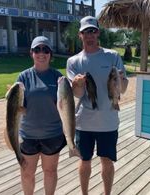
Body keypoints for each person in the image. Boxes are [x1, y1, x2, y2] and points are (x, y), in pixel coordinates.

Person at [66, 16, 129, 195]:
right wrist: (77, 85)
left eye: (93, 31)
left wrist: (121, 79)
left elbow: (122, 90)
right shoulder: (73, 62)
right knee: (84, 162)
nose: (90, 35)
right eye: (86, 32)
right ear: (80, 35)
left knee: (107, 163)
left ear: (98, 33)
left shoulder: (112, 56)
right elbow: (78, 95)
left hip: (108, 122)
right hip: (83, 122)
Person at [17, 36, 66, 195]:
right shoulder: (23, 77)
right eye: (37, 49)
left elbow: (66, 105)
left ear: (50, 54)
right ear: (32, 53)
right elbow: (18, 107)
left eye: (45, 49)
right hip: (28, 135)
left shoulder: (58, 78)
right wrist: (11, 97)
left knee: (50, 171)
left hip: (52, 134)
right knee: (27, 173)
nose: (41, 53)